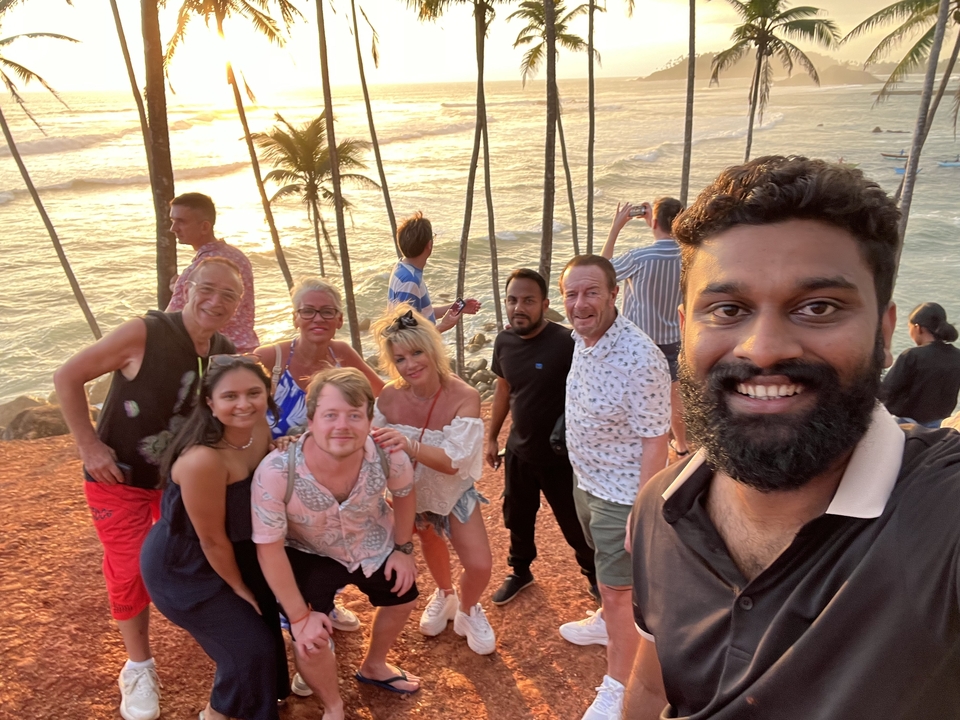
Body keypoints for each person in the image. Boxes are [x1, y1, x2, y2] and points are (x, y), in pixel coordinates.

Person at [625, 156, 960, 720]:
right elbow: (654, 690)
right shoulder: (662, 506)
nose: (763, 349)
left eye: (818, 307)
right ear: (684, 329)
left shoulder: (943, 518)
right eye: (728, 309)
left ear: (884, 329)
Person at [53, 257, 241, 720]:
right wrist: (89, 446)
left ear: (237, 306)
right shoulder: (145, 332)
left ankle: (227, 646)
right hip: (118, 478)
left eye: (229, 296)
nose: (215, 302)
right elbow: (67, 376)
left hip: (178, 485)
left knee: (202, 559)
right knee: (129, 568)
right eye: (208, 289)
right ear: (186, 287)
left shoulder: (222, 350)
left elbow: (229, 414)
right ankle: (138, 666)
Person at [252, 368, 420, 720]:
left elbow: (404, 494)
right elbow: (268, 547)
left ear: (370, 419)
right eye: (330, 415)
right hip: (308, 551)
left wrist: (404, 550)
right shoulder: (277, 471)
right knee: (310, 640)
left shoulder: (388, 452)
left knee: (403, 595)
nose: (342, 426)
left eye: (354, 415)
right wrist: (299, 617)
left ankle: (374, 665)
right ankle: (333, 706)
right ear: (311, 420)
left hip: (370, 539)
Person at [140, 355, 290, 720]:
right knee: (249, 647)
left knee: (267, 621)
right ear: (210, 402)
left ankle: (267, 695)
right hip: (186, 566)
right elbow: (211, 541)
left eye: (254, 393)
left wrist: (281, 449)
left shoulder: (259, 431)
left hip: (238, 548)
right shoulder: (202, 460)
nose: (244, 404)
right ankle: (216, 714)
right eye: (230, 396)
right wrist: (240, 589)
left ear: (267, 392)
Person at [558, 255, 671, 720]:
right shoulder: (582, 337)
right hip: (586, 480)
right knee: (604, 575)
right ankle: (606, 622)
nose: (580, 304)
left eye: (590, 293)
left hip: (621, 495)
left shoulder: (641, 357)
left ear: (613, 295)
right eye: (571, 294)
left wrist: (639, 512)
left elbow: (656, 441)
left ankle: (616, 689)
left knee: (620, 592)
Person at [371, 305, 496, 655]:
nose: (409, 365)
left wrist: (409, 444)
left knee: (479, 564)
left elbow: (455, 462)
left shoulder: (464, 396)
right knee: (431, 545)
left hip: (453, 494)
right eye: (399, 358)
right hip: (410, 495)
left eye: (416, 353)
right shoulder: (388, 396)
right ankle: (445, 595)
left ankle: (469, 608)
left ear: (432, 349)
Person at [484, 268, 597, 605]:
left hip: (561, 457)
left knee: (575, 523)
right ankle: (520, 571)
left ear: (545, 305)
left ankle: (595, 577)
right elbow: (503, 387)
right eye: (512, 300)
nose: (519, 307)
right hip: (519, 451)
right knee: (517, 517)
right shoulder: (504, 341)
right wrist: (492, 437)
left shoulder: (567, 343)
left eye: (528, 300)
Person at [601, 197, 689, 457]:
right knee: (675, 397)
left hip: (640, 342)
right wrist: (656, 224)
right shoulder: (688, 257)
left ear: (655, 223)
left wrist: (616, 227)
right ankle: (681, 446)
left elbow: (601, 272)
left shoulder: (639, 257)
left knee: (638, 395)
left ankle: (638, 449)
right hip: (674, 338)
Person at [254, 277, 384, 440]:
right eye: (308, 311)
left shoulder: (341, 354)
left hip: (333, 458)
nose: (318, 319)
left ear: (339, 320)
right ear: (295, 319)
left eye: (327, 311)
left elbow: (383, 394)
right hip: (270, 460)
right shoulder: (271, 358)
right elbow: (240, 414)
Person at [166, 192, 259, 352]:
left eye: (181, 221)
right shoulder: (237, 256)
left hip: (215, 355)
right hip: (248, 349)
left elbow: (168, 323)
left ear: (204, 227)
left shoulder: (199, 270)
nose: (173, 228)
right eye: (173, 221)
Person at [387, 211, 480, 333]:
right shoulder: (410, 281)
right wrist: (443, 326)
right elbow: (405, 337)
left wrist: (458, 307)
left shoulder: (402, 269)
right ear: (429, 245)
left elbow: (424, 313)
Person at [880, 301, 960, 427]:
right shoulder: (957, 356)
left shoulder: (912, 356)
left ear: (918, 328)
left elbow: (886, 391)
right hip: (939, 425)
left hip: (907, 425)